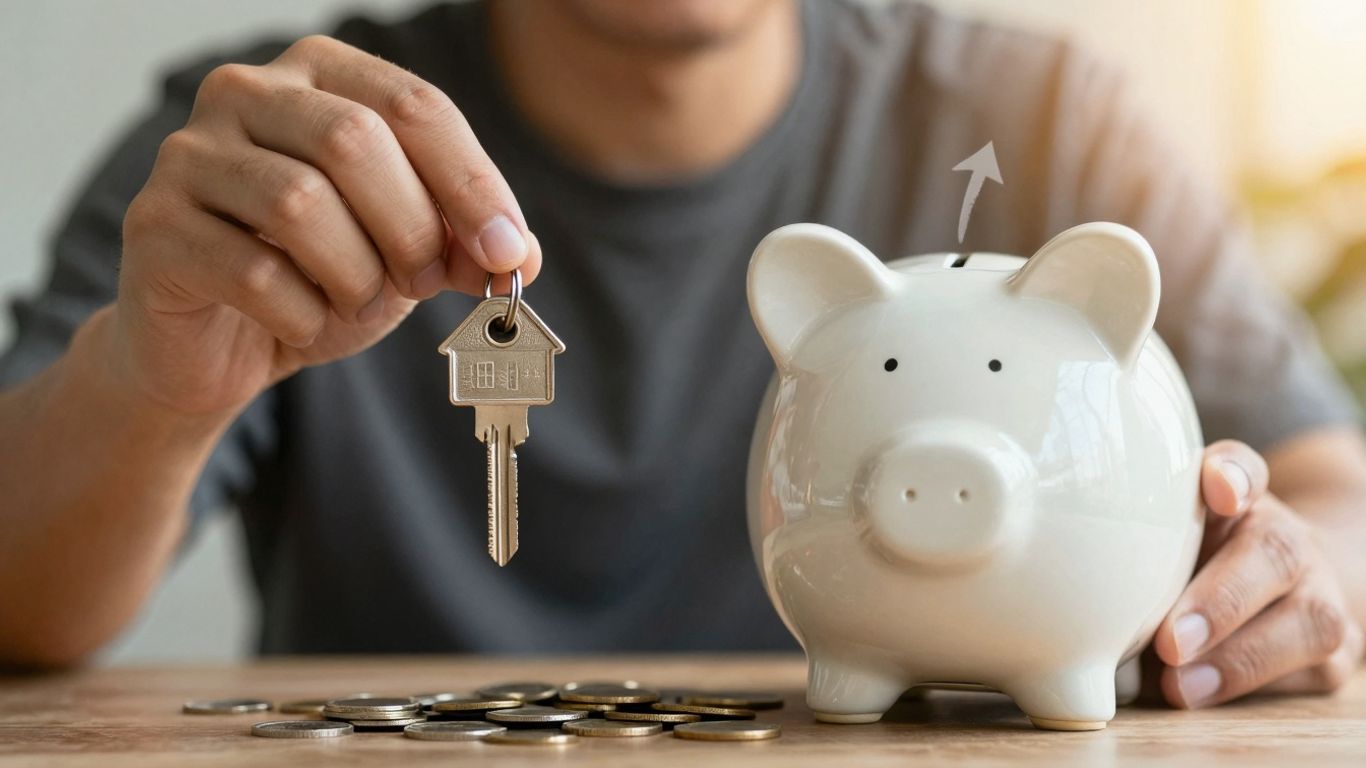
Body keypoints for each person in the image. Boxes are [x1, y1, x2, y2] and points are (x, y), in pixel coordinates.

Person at [1, 0, 1363, 711]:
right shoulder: (272, 158)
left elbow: (1333, 494)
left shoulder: (1051, 119)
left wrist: (1295, 579)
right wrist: (149, 383)